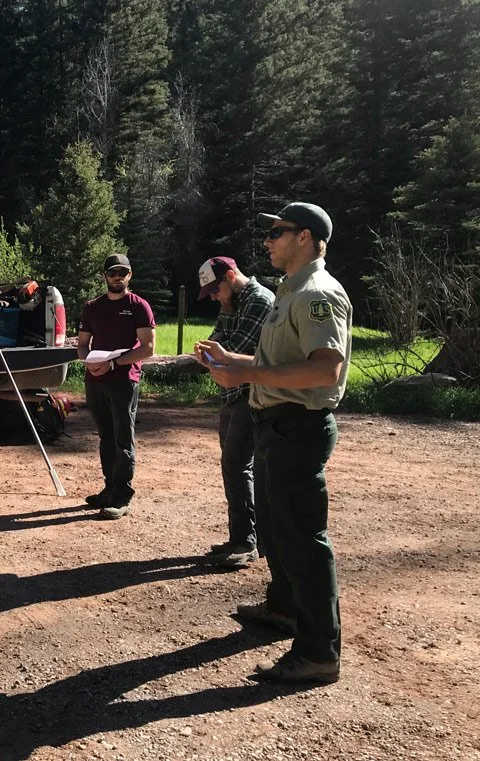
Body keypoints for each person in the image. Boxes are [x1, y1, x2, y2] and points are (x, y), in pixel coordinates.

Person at [196, 201, 351, 685]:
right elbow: (281, 360)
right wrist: (233, 359)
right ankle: (284, 608)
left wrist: (248, 371)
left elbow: (327, 368)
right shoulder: (290, 290)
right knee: (277, 530)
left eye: (277, 233)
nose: (268, 242)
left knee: (303, 538)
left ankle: (318, 650)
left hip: (297, 427)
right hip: (274, 424)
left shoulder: (317, 294)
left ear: (305, 237)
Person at [197, 256, 275, 569]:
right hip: (231, 394)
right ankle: (244, 538)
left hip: (250, 394)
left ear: (231, 276)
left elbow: (234, 350)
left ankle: (246, 542)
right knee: (236, 467)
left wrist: (216, 351)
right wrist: (214, 351)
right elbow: (214, 343)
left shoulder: (258, 301)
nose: (214, 297)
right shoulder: (231, 303)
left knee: (237, 465)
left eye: (216, 290)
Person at [75, 253, 156, 519]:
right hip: (95, 379)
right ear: (105, 276)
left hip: (124, 380)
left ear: (129, 275)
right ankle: (109, 489)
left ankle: (122, 496)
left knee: (123, 438)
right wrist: (88, 361)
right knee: (105, 436)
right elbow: (83, 343)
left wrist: (114, 364)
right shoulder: (92, 307)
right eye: (113, 273)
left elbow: (148, 348)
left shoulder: (139, 306)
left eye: (122, 272)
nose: (117, 277)